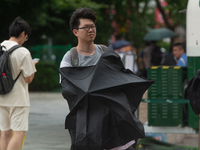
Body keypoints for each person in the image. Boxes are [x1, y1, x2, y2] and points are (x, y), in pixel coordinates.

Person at [60, 7, 137, 150]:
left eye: (93, 26)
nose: (91, 30)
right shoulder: (70, 59)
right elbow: (68, 90)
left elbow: (120, 78)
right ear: (75, 32)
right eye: (86, 27)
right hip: (88, 122)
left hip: (113, 118)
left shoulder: (106, 53)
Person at [0, 17, 37, 150]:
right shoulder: (22, 52)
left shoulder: (0, 47)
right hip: (18, 100)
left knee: (4, 133)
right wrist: (32, 66)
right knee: (19, 133)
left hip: (1, 97)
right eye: (25, 37)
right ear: (23, 34)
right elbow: (28, 79)